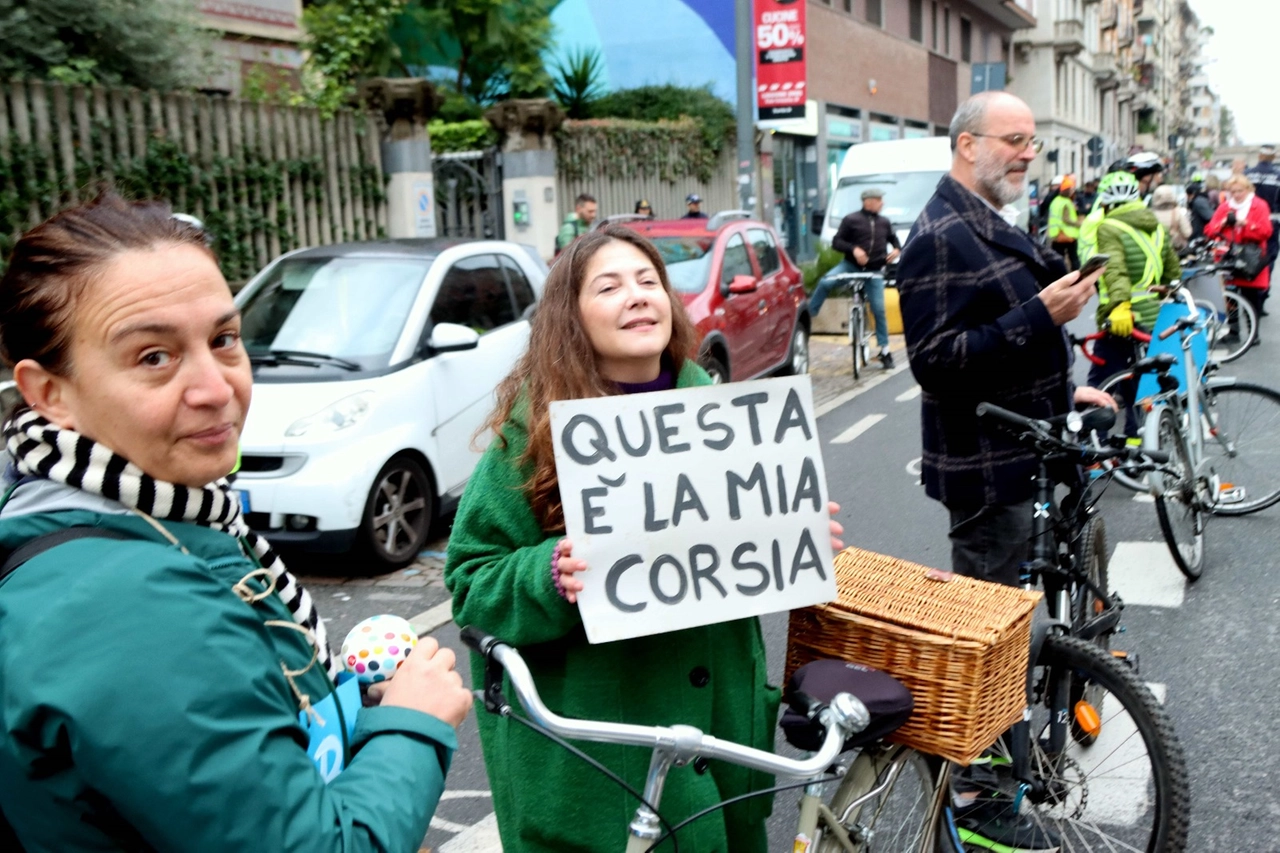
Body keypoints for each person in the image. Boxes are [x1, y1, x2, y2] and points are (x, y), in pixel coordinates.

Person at [0, 194, 472, 851]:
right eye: (153, 357)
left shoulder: (151, 510)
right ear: (49, 394)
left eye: (223, 339)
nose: (217, 387)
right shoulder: (127, 605)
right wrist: (412, 723)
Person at [444, 224, 844, 852]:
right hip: (604, 765)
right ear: (569, 318)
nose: (636, 295)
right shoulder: (530, 440)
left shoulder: (718, 415)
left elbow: (727, 558)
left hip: (719, 742)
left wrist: (791, 531)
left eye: (648, 280)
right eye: (609, 286)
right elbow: (470, 583)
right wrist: (549, 572)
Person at [898, 92, 1116, 852]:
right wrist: (1041, 316)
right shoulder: (939, 233)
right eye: (1015, 139)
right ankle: (980, 800)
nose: (1029, 152)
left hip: (1023, 446)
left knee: (1016, 625)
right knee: (993, 641)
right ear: (967, 144)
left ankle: (1005, 766)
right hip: (984, 469)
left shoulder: (985, 218)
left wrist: (1065, 387)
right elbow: (934, 363)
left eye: (1031, 141)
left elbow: (999, 343)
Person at [1088, 171, 1182, 437]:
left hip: (1122, 319)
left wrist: (1120, 304)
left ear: (1105, 202)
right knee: (1140, 383)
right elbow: (1172, 275)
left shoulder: (1109, 227)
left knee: (1100, 382)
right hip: (1153, 318)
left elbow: (1114, 269)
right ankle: (1136, 442)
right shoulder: (1156, 226)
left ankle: (1093, 447)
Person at [809, 188, 902, 368]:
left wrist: (897, 250)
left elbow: (894, 240)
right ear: (868, 201)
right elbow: (837, 242)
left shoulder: (884, 222)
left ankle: (885, 351)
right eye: (879, 199)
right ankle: (809, 316)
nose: (882, 203)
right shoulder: (851, 219)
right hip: (850, 267)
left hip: (874, 271)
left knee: (879, 309)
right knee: (826, 281)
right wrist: (854, 249)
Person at [1206, 174, 1274, 337]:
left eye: (1240, 191)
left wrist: (1246, 224)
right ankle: (1233, 329)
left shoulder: (1259, 205)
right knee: (1230, 296)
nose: (1236, 195)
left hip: (1250, 257)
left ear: (1248, 189)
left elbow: (1266, 232)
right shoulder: (1225, 207)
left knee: (1251, 296)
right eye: (1233, 191)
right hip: (1228, 256)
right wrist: (1222, 225)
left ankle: (1253, 333)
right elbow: (1209, 231)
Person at [1245, 144, 1280, 293]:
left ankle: (1248, 291)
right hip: (1271, 220)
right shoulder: (1278, 176)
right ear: (1273, 157)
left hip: (1248, 221)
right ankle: (1263, 290)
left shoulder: (1247, 174)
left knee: (1247, 255)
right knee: (1269, 256)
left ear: (1259, 156)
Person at [1047, 173, 1081, 269]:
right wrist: (1079, 224)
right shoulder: (1066, 202)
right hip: (1067, 234)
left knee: (1057, 259)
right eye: (1071, 189)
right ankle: (1076, 278)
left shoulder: (1055, 201)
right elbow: (1066, 219)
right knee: (1074, 258)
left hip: (1056, 234)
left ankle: (1058, 276)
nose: (1072, 191)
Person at [1151, 184, 1193, 251]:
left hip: (1157, 249)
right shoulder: (1177, 212)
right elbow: (1187, 232)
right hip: (1175, 249)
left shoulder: (1151, 214)